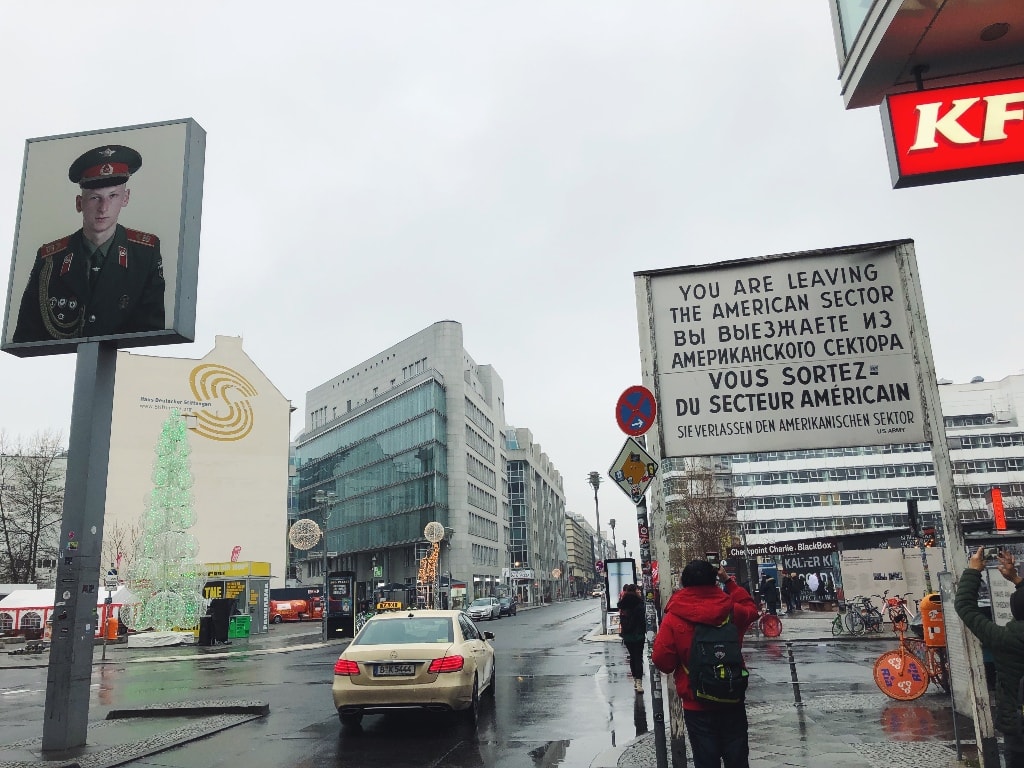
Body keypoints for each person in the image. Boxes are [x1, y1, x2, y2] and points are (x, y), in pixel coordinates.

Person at [13, 144, 165, 343]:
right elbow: (26, 337)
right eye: (95, 198)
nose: (104, 208)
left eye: (113, 196)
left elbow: (152, 335)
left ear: (125, 198)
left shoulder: (145, 253)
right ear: (79, 203)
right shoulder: (50, 259)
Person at [652, 559, 757, 768]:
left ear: (683, 582)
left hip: (696, 701)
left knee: (705, 760)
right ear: (714, 579)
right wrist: (728, 581)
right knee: (737, 759)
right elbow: (751, 609)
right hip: (731, 695)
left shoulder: (674, 616)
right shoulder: (731, 610)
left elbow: (663, 661)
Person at [954, 547, 1024, 768]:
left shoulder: (1004, 638)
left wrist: (973, 571)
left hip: (1018, 729)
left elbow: (965, 606)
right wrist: (1016, 578)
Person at [618, 583, 647, 693]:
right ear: (635, 591)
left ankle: (635, 679)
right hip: (638, 634)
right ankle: (639, 682)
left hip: (628, 635)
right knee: (638, 657)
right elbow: (641, 620)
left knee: (632, 656)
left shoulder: (623, 604)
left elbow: (622, 619)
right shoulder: (639, 603)